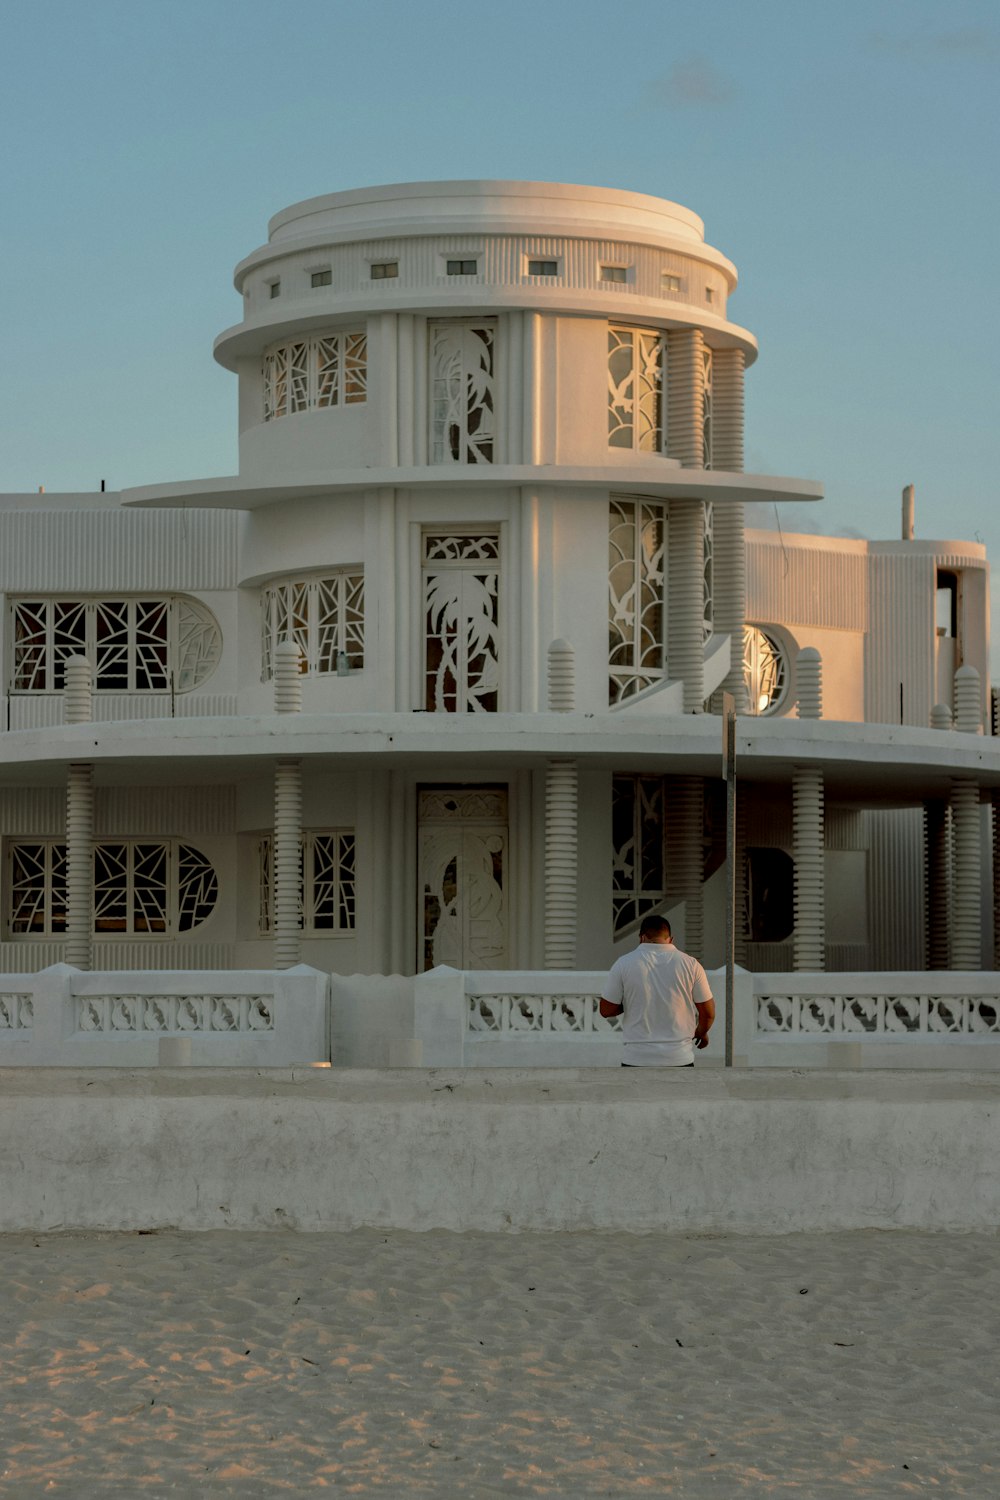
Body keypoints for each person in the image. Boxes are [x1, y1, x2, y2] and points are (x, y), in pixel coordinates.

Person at [600, 914, 715, 1067]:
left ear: (641, 937)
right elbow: (708, 1013)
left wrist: (629, 1003)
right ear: (671, 939)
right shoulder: (691, 964)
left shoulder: (623, 964)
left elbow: (605, 1010)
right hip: (679, 1058)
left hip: (636, 1059)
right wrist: (701, 1033)